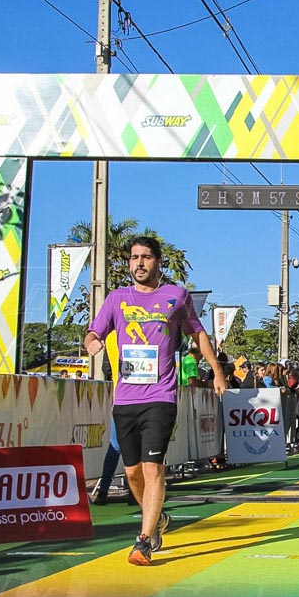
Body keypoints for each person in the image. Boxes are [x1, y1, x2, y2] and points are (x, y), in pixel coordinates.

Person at [84, 235, 227, 566]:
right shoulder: (117, 298)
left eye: (145, 257)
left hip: (161, 395)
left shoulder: (176, 296)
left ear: (158, 262)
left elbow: (198, 334)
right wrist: (91, 342)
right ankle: (157, 519)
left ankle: (144, 540)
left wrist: (217, 372)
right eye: (133, 258)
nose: (138, 263)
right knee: (132, 471)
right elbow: (95, 331)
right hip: (125, 397)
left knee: (152, 467)